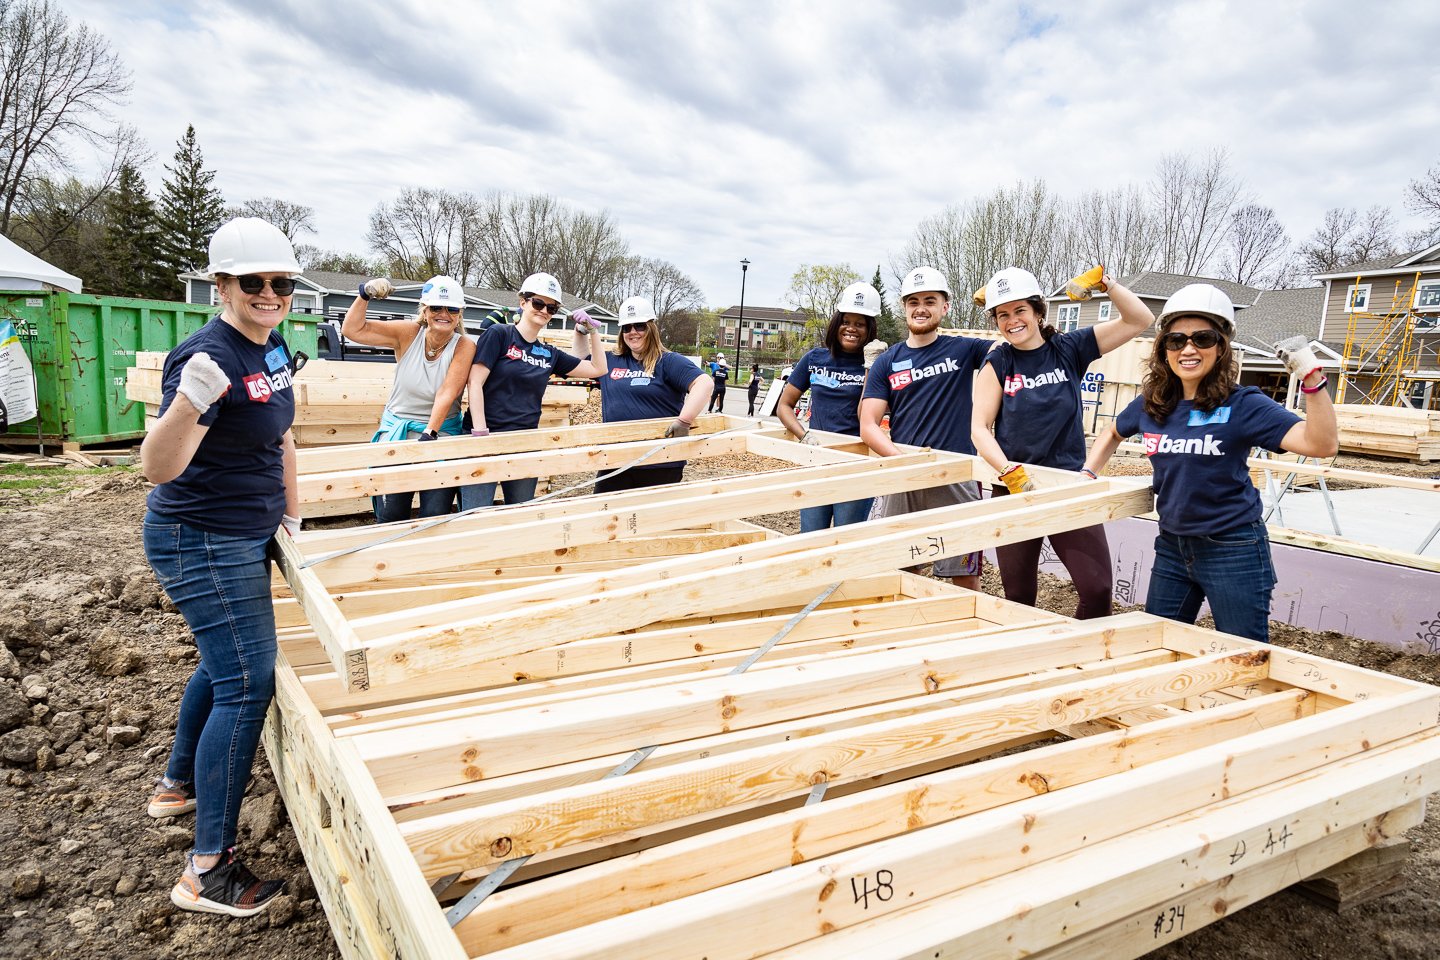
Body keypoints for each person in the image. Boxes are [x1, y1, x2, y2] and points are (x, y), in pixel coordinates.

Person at [139, 217, 300, 917]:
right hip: (201, 536)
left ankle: (177, 785)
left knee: (220, 660)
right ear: (222, 285)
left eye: (281, 282)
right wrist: (187, 402)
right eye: (253, 282)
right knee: (245, 681)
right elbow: (157, 467)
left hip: (248, 528)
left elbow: (283, 434)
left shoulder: (271, 347)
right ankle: (208, 869)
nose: (269, 293)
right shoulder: (204, 358)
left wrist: (292, 515)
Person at [1082, 283, 1338, 641]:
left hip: (1232, 549)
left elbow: (1321, 444)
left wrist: (1312, 380)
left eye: (1202, 338)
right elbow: (1112, 432)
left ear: (1220, 348)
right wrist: (1089, 472)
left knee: (1241, 654)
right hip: (1172, 546)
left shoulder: (1244, 404)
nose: (1188, 348)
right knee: (1157, 643)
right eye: (1176, 340)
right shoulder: (1152, 403)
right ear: (1164, 350)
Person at [970, 267, 1154, 619]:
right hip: (1016, 489)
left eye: (1020, 310)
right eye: (1002, 314)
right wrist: (1009, 471)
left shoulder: (1068, 349)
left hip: (1067, 485)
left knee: (1097, 590)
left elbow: (1139, 319)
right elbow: (979, 429)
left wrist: (1105, 283)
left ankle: (1079, 658)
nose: (1012, 321)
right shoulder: (998, 362)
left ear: (1039, 312)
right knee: (1019, 594)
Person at [860, 267, 992, 589]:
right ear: (904, 308)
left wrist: (998, 304)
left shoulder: (964, 349)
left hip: (956, 474)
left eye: (930, 300)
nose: (921, 308)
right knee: (900, 572)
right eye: (913, 301)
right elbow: (868, 425)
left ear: (945, 307)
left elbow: (1014, 349)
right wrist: (903, 460)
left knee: (962, 575)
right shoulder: (887, 361)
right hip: (904, 475)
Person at [458, 272, 607, 509]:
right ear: (523, 302)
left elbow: (598, 368)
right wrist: (480, 434)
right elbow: (474, 382)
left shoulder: (549, 354)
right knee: (475, 514)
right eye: (538, 303)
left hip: (524, 441)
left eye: (551, 308)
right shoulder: (500, 334)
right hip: (485, 436)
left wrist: (592, 331)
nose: (544, 311)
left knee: (521, 511)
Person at [342, 274, 476, 522]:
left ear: (459, 314)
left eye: (452, 309)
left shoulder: (464, 345)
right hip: (397, 431)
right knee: (391, 513)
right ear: (425, 311)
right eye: (436, 307)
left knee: (435, 513)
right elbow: (352, 329)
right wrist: (364, 294)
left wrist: (429, 434)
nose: (443, 314)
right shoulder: (408, 333)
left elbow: (448, 391)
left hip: (440, 434)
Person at [779, 281, 880, 531]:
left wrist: (871, 368)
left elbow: (865, 415)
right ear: (836, 323)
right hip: (817, 461)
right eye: (846, 321)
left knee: (847, 539)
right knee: (811, 538)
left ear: (869, 330)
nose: (851, 329)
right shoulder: (815, 358)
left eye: (860, 324)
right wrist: (804, 436)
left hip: (856, 465)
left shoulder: (878, 363)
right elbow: (784, 405)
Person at [591, 296, 713, 493]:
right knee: (608, 518)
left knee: (652, 520)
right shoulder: (611, 360)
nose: (633, 332)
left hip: (659, 462)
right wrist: (581, 331)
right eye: (627, 328)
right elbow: (579, 362)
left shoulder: (668, 362)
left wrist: (684, 420)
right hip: (615, 460)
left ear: (651, 328)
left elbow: (704, 383)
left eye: (639, 326)